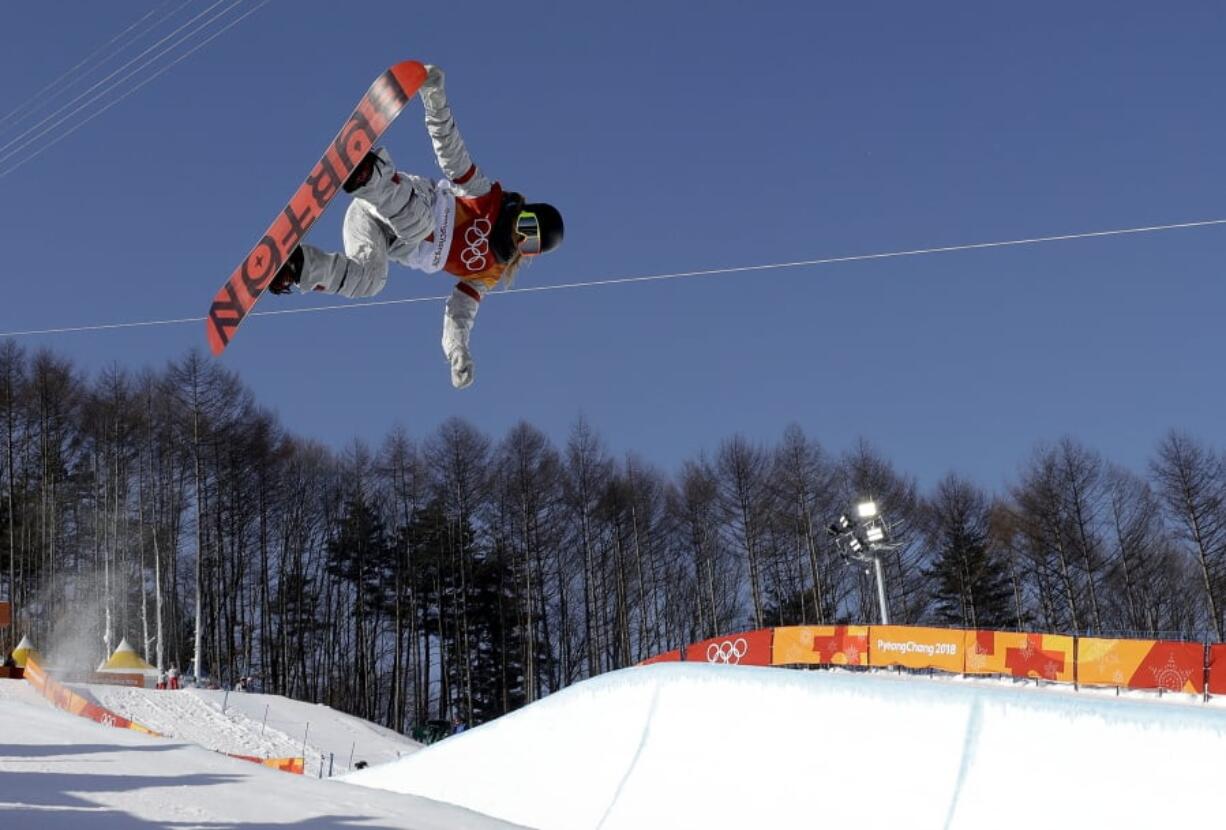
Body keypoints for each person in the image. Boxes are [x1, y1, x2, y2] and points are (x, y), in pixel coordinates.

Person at [269, 64, 564, 389]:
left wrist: (457, 352)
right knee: (421, 227)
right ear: (523, 211)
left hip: (371, 226)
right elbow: (451, 150)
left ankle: (296, 267)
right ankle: (369, 174)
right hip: (407, 201)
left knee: (371, 282)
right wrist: (434, 95)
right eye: (527, 225)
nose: (520, 236)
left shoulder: (488, 272)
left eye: (529, 243)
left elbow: (460, 313)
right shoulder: (486, 198)